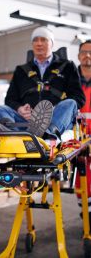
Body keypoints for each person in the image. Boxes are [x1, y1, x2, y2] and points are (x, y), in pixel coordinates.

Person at [0, 26, 85, 140]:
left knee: (70, 103)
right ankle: (15, 134)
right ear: (32, 45)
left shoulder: (68, 66)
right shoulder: (21, 70)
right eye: (35, 40)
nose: (39, 43)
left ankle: (47, 133)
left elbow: (79, 98)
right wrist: (19, 108)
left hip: (55, 118)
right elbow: (10, 99)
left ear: (52, 43)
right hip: (26, 123)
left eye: (43, 39)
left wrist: (55, 108)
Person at [75, 40, 91, 223]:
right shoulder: (71, 81)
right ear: (79, 55)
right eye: (84, 52)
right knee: (82, 176)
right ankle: (86, 211)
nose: (87, 55)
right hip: (77, 141)